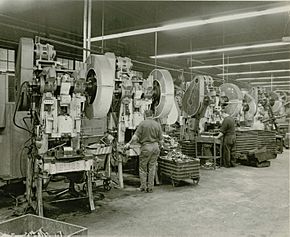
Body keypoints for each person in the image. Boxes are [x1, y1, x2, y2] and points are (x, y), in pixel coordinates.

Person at [124, 110, 163, 193]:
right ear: (152, 115)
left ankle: (143, 187)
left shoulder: (143, 124)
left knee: (143, 168)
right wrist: (159, 147)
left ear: (145, 115)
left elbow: (135, 137)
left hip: (146, 147)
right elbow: (161, 140)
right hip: (155, 147)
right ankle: (150, 187)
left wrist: (128, 143)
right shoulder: (157, 124)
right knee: (152, 168)